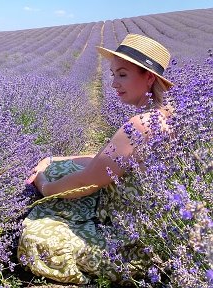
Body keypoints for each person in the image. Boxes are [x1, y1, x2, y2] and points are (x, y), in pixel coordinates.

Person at [17, 34, 174, 285]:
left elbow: (86, 183)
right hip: (149, 225)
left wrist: (43, 185)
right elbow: (110, 160)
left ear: (149, 77)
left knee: (37, 239)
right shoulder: (169, 114)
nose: (113, 84)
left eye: (122, 74)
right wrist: (56, 158)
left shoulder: (141, 124)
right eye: (113, 74)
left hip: (128, 240)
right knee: (62, 166)